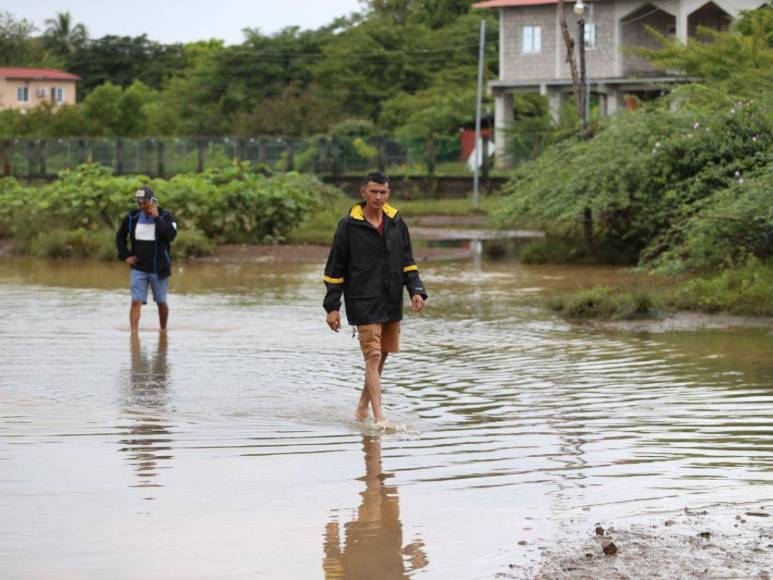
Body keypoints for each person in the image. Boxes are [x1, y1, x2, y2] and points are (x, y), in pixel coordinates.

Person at [323, 171, 427, 426]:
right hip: (363, 301)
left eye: (383, 192)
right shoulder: (348, 226)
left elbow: (407, 261)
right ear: (363, 193)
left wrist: (415, 289)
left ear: (388, 193)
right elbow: (335, 269)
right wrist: (332, 307)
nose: (378, 197)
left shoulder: (396, 222)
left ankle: (361, 408)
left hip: (391, 300)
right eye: (373, 192)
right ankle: (379, 418)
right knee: (373, 357)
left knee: (383, 355)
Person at [116, 186, 177, 332]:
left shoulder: (165, 216)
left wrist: (156, 217)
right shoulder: (132, 217)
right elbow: (120, 236)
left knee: (161, 302)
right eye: (139, 203)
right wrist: (125, 255)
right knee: (135, 301)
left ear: (152, 201)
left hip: (159, 268)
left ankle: (163, 331)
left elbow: (171, 236)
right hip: (139, 268)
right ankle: (134, 335)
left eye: (144, 203)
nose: (142, 206)